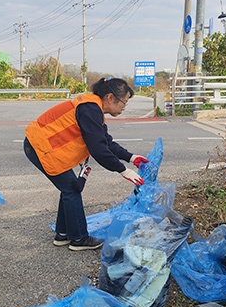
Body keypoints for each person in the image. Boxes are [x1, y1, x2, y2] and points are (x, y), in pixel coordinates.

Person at [24, 78, 149, 251]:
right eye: (124, 102)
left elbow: (105, 141)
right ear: (110, 97)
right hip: (40, 146)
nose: (124, 107)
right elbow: (98, 149)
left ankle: (63, 233)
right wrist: (123, 171)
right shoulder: (90, 109)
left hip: (43, 146)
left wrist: (131, 157)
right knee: (71, 189)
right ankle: (79, 239)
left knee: (69, 189)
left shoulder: (93, 108)